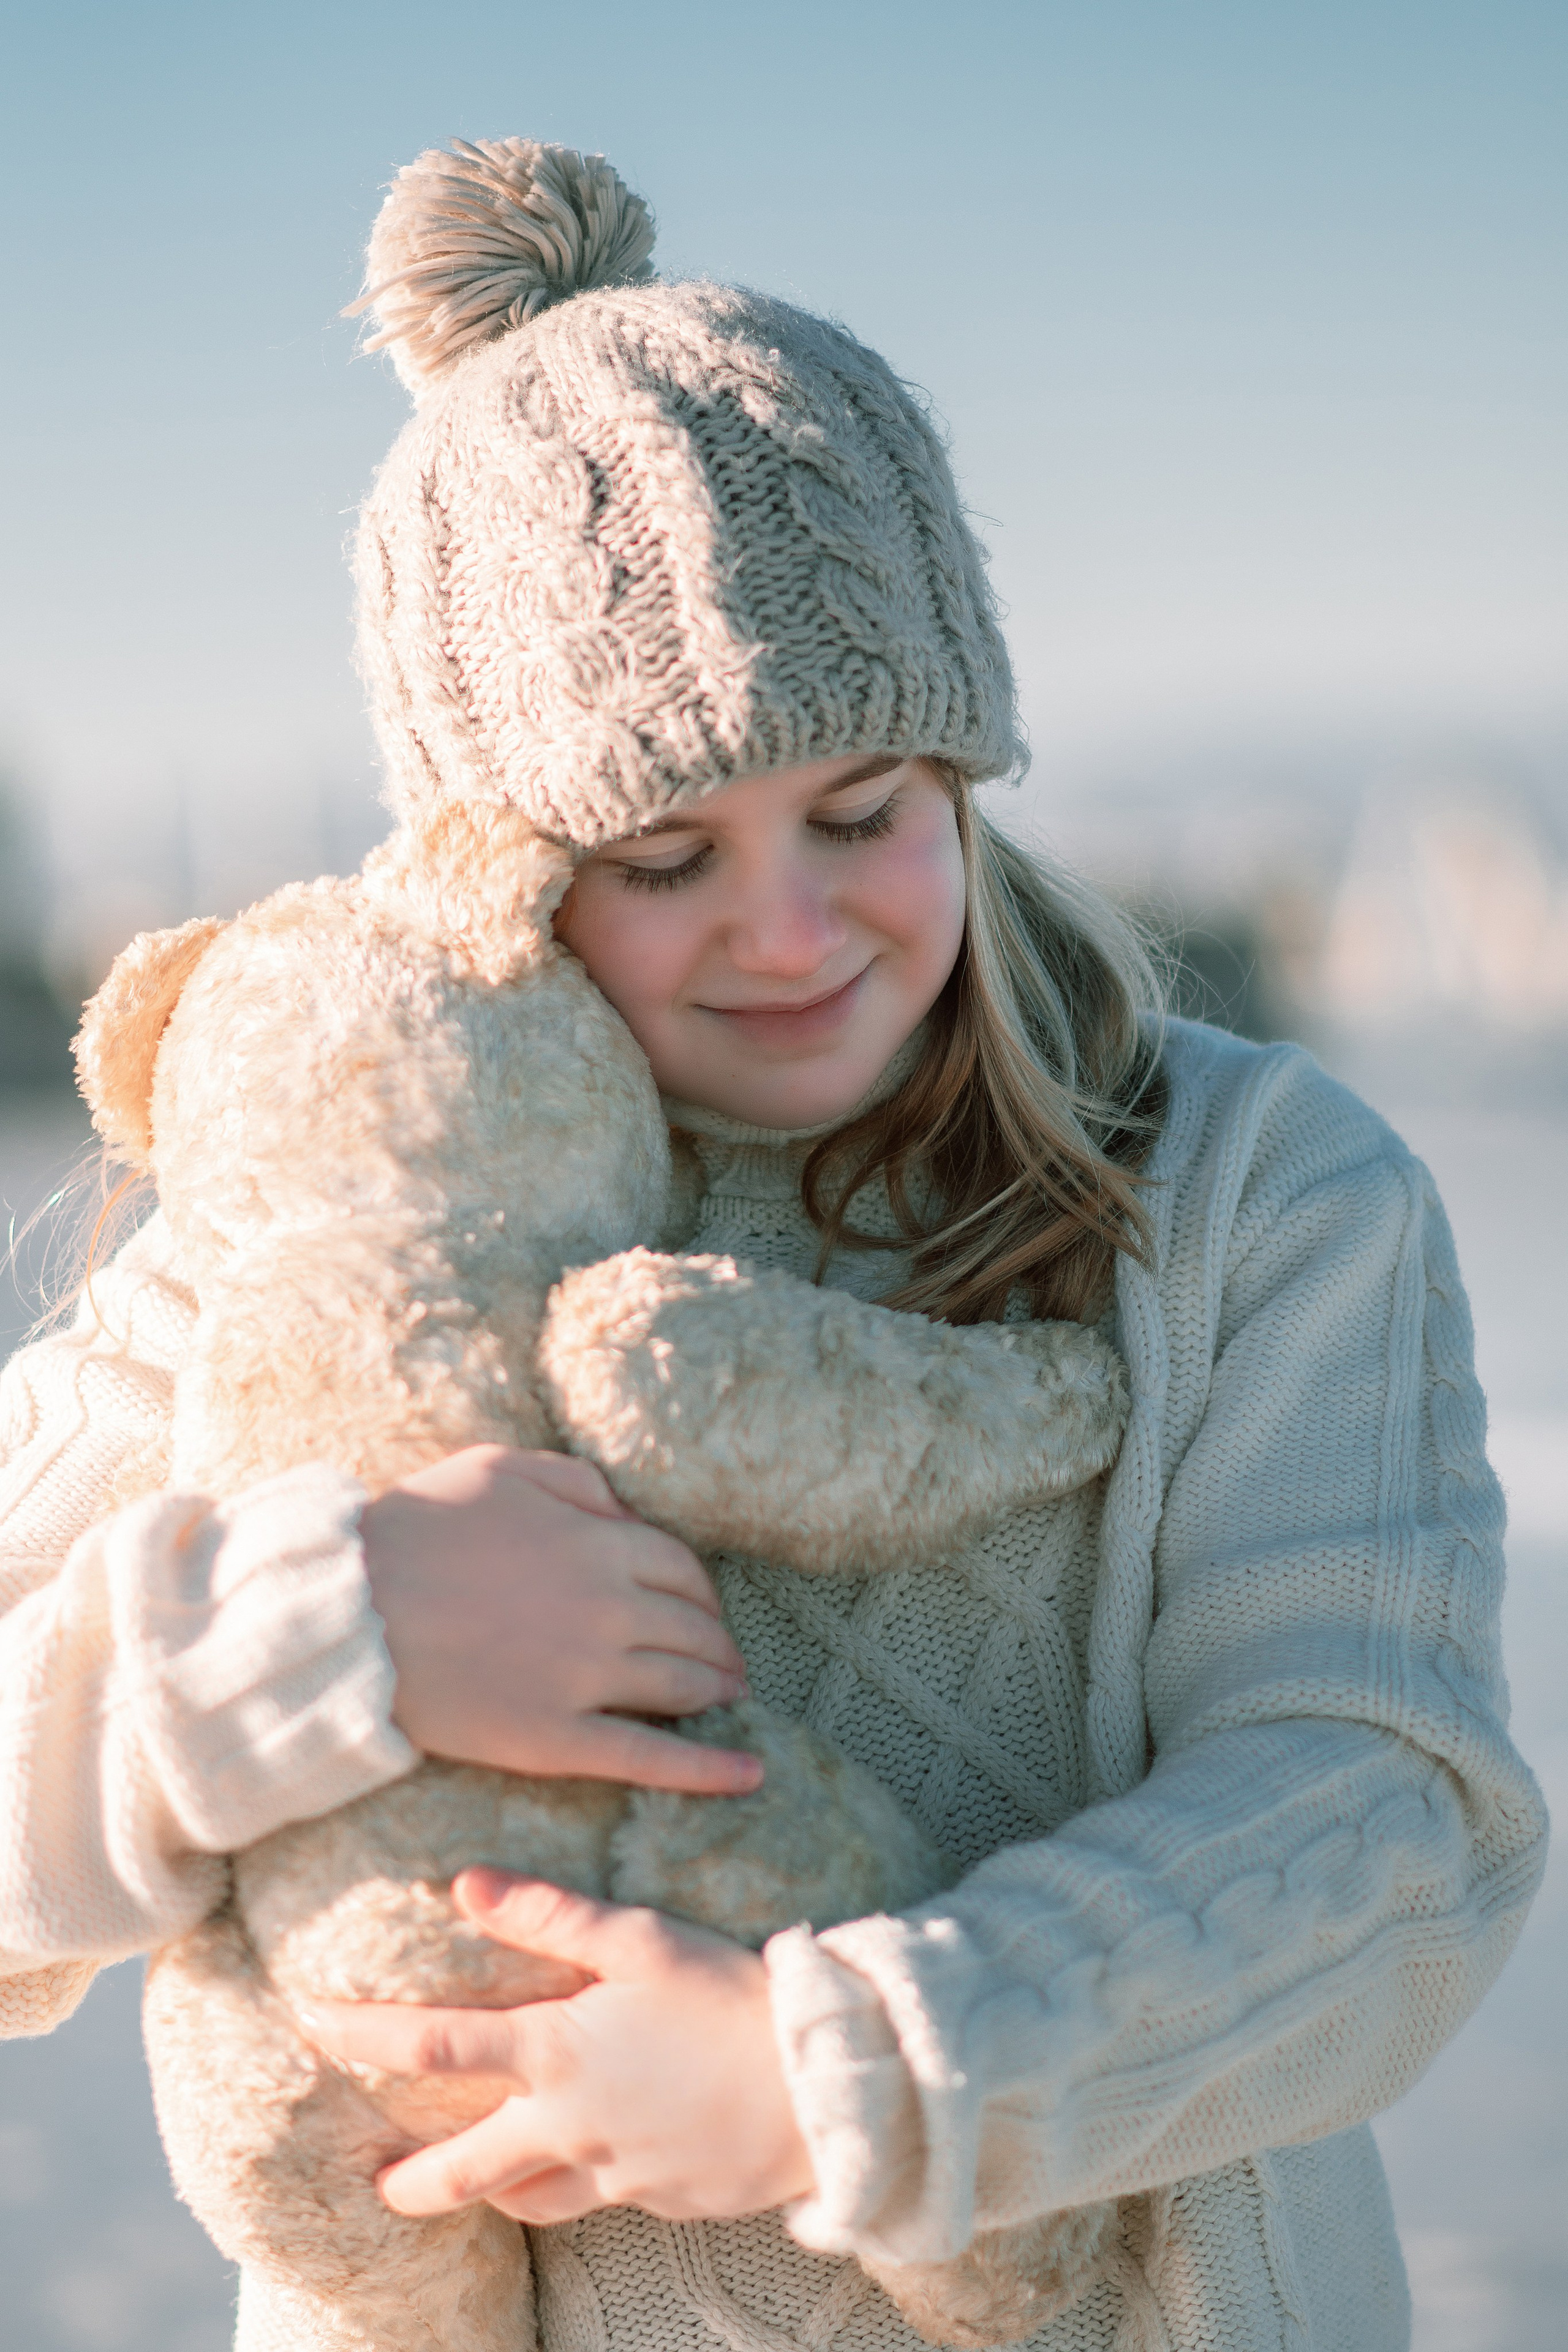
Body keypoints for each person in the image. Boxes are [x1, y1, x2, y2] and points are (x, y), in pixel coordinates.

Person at [0, 134, 1546, 2352]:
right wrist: (306, 1649)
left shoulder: (1246, 1199)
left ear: (964, 779)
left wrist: (832, 2079)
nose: (792, 930)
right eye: (661, 855)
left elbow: (1397, 1823)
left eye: (860, 815)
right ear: (496, 863)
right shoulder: (320, 1228)